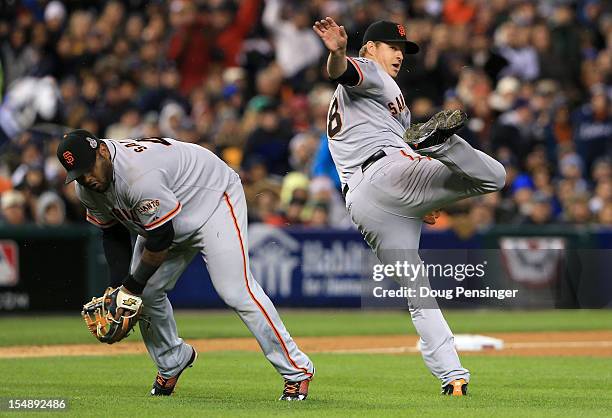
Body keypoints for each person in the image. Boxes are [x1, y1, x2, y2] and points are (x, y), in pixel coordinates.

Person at [313, 18, 506, 396]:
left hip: (365, 203)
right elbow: (342, 73)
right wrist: (337, 52)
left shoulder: (387, 99)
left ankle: (453, 377)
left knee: (418, 293)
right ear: (369, 49)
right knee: (494, 177)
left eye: (402, 48)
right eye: (390, 45)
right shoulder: (371, 72)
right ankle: (441, 145)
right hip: (387, 172)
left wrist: (421, 201)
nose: (399, 53)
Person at [56, 129, 314, 400]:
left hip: (213, 199)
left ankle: (297, 371)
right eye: (79, 175)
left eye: (89, 168)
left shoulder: (138, 175)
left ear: (103, 152)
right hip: (167, 211)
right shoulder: (86, 188)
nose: (87, 178)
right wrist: (119, 287)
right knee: (145, 295)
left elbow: (161, 239)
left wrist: (130, 288)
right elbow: (113, 233)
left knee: (236, 291)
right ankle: (171, 360)